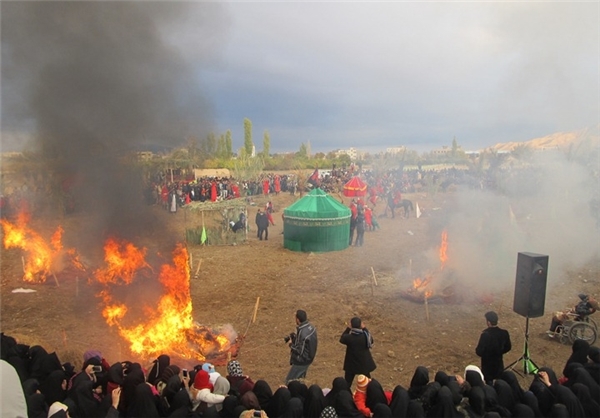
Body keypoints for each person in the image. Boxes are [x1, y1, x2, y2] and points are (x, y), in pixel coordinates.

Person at [475, 311, 512, 384]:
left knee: (489, 383)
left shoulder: (485, 335)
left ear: (488, 322)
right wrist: (500, 352)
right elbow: (508, 347)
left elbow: (479, 351)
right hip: (499, 364)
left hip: (487, 366)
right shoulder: (504, 333)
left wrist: (486, 354)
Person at [340, 317, 376, 387]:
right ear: (360, 325)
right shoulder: (365, 336)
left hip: (351, 364)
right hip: (363, 363)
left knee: (347, 383)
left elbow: (342, 339)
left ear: (351, 325)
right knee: (368, 382)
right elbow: (371, 340)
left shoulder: (349, 338)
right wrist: (364, 328)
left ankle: (347, 395)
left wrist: (348, 328)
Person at [285, 309, 318, 384]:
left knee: (289, 381)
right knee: (300, 380)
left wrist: (291, 344)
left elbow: (300, 351)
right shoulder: (311, 327)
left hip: (302, 361)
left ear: (298, 319)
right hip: (309, 358)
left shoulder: (303, 333)